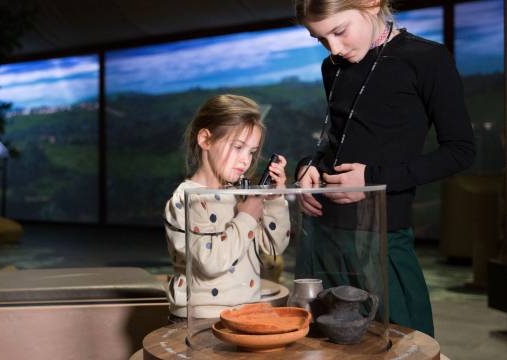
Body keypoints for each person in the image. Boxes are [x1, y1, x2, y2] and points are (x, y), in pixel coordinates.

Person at [293, 0, 475, 337]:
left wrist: (372, 179)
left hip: (382, 239)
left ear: (371, 4)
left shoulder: (427, 59)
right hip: (322, 238)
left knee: (404, 345)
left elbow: (461, 152)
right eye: (320, 39)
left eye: (339, 31)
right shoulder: (332, 67)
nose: (334, 48)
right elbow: (333, 142)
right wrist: (307, 170)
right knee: (319, 348)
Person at [163, 94, 291, 320]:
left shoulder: (238, 194)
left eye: (251, 152)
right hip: (199, 319)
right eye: (238, 147)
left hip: (245, 313)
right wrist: (246, 217)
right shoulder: (187, 198)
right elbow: (211, 263)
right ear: (206, 140)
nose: (246, 161)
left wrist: (274, 199)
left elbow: (274, 247)